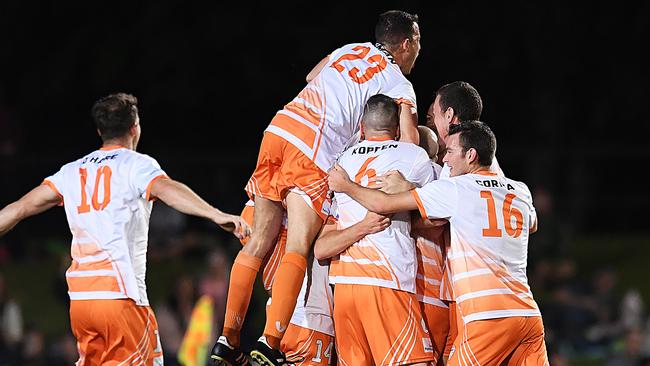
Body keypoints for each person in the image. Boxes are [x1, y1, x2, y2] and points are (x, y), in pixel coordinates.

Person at [211, 9, 423, 366]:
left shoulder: (350, 48)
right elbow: (410, 139)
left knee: (260, 239)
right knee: (298, 242)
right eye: (419, 43)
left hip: (279, 128)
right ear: (406, 44)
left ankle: (227, 339)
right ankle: (269, 340)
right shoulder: (398, 83)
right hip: (314, 148)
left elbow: (313, 75)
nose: (419, 52)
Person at [0, 93, 248, 365]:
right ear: (135, 127)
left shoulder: (70, 172)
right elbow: (168, 189)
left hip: (82, 302)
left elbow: (20, 208)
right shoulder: (136, 165)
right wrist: (214, 214)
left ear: (99, 131)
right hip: (119, 297)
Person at [328, 120, 549, 365]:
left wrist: (346, 186)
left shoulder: (455, 188)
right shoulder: (520, 190)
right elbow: (532, 224)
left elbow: (382, 205)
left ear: (471, 155)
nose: (445, 160)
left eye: (451, 152)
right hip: (528, 315)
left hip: (488, 317)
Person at [318, 94, 436, 365]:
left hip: (345, 285)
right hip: (387, 280)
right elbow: (435, 215)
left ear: (361, 128)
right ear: (396, 129)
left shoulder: (340, 163)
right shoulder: (414, 156)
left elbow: (321, 246)